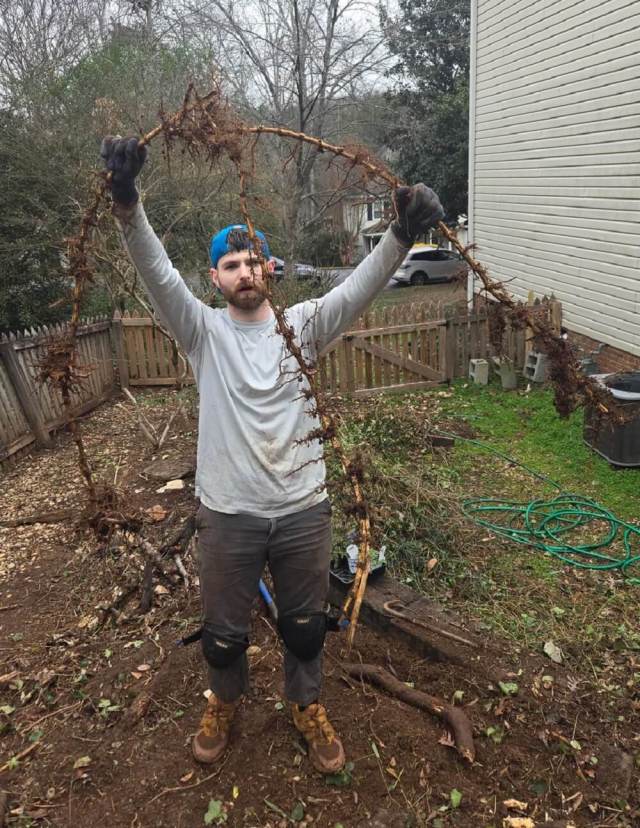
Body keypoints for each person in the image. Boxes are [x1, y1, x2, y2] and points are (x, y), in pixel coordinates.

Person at [100, 136, 444, 774]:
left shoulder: (306, 326)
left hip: (303, 510)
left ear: (270, 269)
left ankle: (305, 704)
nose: (244, 272)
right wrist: (127, 203)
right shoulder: (201, 331)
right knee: (225, 634)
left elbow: (361, 289)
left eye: (253, 260)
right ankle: (224, 702)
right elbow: (155, 271)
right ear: (215, 278)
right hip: (228, 514)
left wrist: (399, 235)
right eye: (231, 264)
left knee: (306, 626)